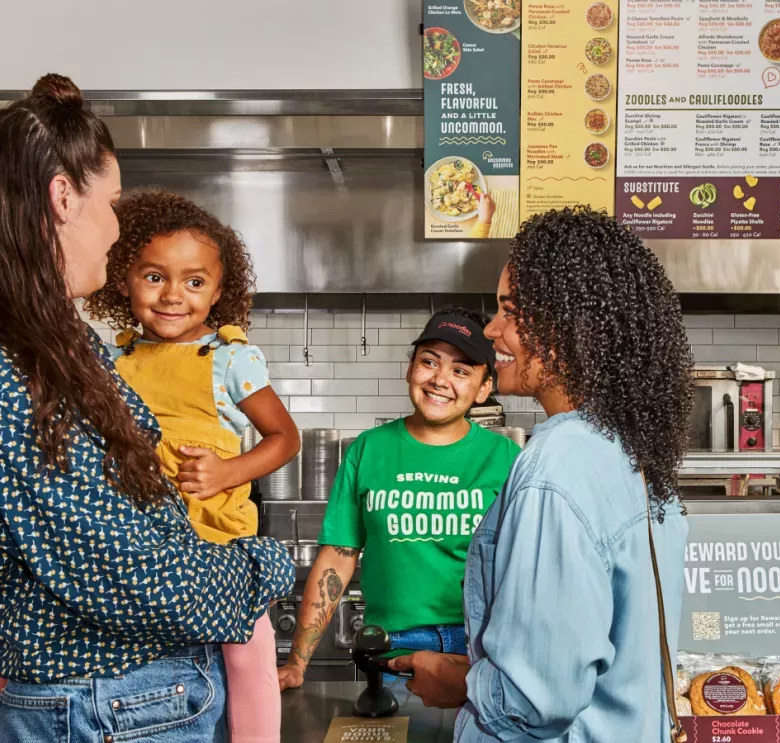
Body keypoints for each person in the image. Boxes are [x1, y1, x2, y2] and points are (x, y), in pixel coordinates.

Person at [0, 74, 293, 743]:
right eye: (112, 202)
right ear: (64, 196)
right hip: (113, 708)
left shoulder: (33, 347)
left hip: (117, 704)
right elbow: (124, 571)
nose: (117, 228)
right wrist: (264, 564)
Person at [388, 206, 694, 742]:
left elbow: (534, 698)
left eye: (510, 309)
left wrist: (455, 681)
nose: (492, 329)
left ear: (566, 322)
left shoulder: (558, 463)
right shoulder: (628, 450)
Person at [86, 188, 300, 743]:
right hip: (143, 546)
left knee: (248, 660)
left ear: (218, 292)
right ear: (122, 280)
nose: (172, 295)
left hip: (216, 543)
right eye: (154, 276)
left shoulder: (231, 357)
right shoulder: (116, 358)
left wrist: (230, 472)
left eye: (194, 281)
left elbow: (284, 437)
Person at [277, 307, 522, 691]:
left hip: (480, 649)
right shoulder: (369, 450)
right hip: (395, 648)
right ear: (411, 367)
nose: (440, 379)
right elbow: (337, 558)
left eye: (461, 370)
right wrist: (297, 662)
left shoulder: (507, 458)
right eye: (430, 362)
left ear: (484, 387)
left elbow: (524, 566)